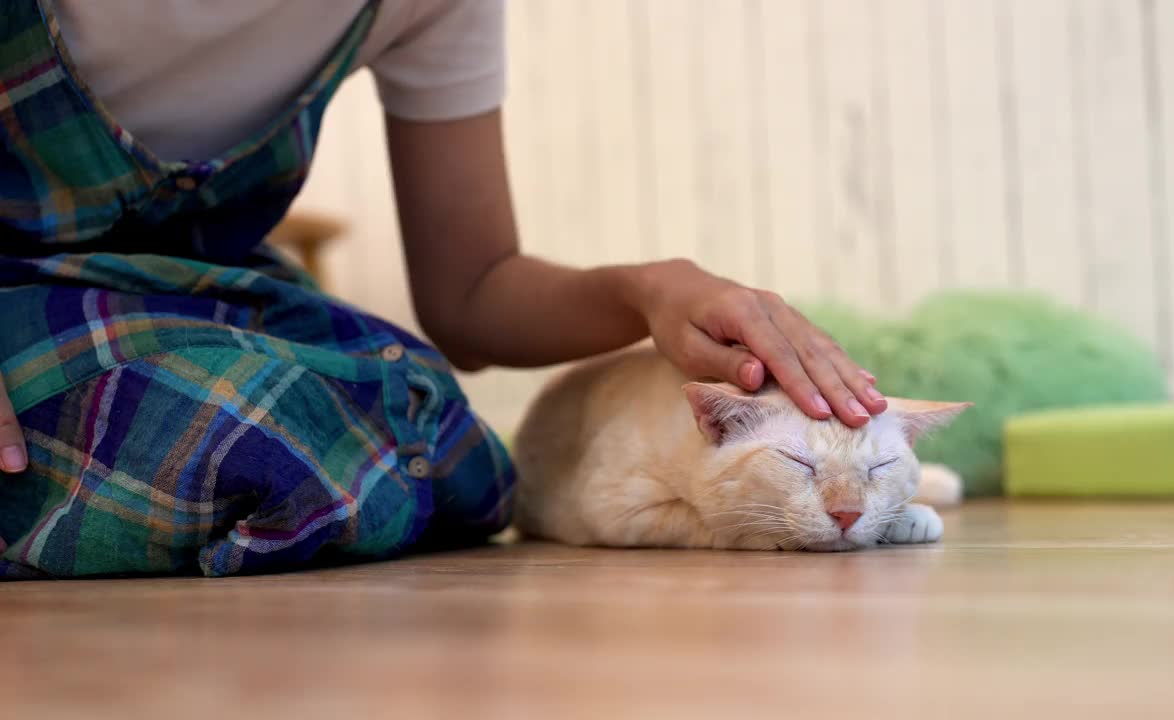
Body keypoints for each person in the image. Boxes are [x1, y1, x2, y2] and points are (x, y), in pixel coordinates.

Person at [0, 0, 884, 578]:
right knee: (255, 431)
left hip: (172, 287)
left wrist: (653, 290)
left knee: (456, 458)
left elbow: (472, 292)